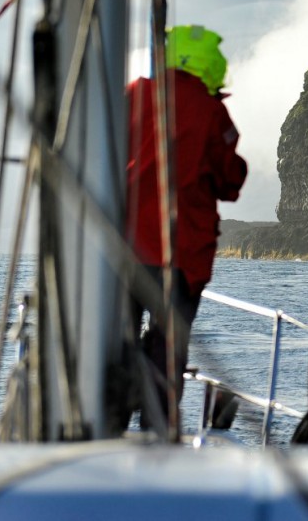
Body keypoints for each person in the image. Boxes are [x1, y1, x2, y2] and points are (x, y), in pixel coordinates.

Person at [125, 24, 247, 430]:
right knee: (168, 344)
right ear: (209, 66)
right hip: (181, 255)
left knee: (114, 337)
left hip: (121, 248)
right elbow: (231, 181)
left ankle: (108, 417)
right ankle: (157, 431)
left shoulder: (130, 97)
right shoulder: (212, 112)